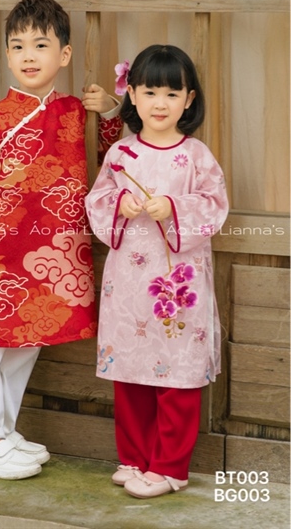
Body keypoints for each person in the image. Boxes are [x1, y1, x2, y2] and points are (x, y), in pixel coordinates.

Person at [0, 0, 122, 480]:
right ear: (7, 55)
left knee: (24, 347)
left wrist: (110, 110)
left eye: (40, 45)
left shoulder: (75, 112)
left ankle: (3, 432)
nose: (28, 55)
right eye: (18, 45)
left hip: (49, 254)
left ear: (63, 54)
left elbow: (109, 154)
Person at [85, 45, 229, 499]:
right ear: (131, 94)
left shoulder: (197, 156)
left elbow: (214, 205)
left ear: (189, 99)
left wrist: (172, 206)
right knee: (130, 371)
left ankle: (170, 468)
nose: (160, 103)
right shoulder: (121, 154)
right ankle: (134, 458)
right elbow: (97, 200)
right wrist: (120, 204)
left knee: (177, 375)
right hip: (129, 284)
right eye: (149, 92)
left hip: (178, 286)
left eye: (172, 93)